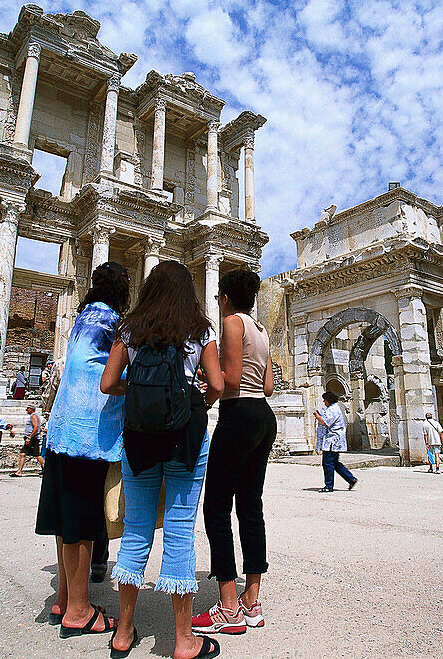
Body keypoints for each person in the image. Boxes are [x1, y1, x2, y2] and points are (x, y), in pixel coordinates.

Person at [101, 260, 224, 659]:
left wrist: (137, 391)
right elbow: (219, 385)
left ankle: (123, 631)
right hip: (185, 438)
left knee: (136, 530)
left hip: (138, 438)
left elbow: (107, 383)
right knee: (179, 529)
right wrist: (196, 400)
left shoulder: (129, 329)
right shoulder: (199, 330)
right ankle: (184, 639)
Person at [36, 261, 130, 638]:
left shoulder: (82, 319)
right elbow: (108, 376)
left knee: (65, 523)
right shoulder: (111, 323)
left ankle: (64, 596)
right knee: (85, 525)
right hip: (87, 434)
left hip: (61, 431)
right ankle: (77, 610)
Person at [193, 270, 276, 636]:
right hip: (263, 415)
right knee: (250, 506)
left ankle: (227, 605)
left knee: (215, 507)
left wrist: (203, 381)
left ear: (225, 297)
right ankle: (251, 601)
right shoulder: (262, 329)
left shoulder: (231, 323)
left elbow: (230, 378)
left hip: (238, 413)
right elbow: (269, 386)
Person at [314, 391, 357, 492]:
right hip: (332, 440)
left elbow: (325, 422)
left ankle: (329, 486)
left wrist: (317, 416)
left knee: (327, 463)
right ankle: (351, 479)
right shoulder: (333, 408)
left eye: (325, 400)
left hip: (332, 441)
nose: (324, 402)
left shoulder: (333, 409)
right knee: (335, 463)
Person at [14, 404, 44, 477]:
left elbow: (36, 427)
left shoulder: (33, 416)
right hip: (30, 438)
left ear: (31, 409)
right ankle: (19, 471)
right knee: (23, 454)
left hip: (32, 439)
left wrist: (30, 437)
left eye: (28, 408)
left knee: (37, 455)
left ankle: (47, 470)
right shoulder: (33, 416)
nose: (27, 410)